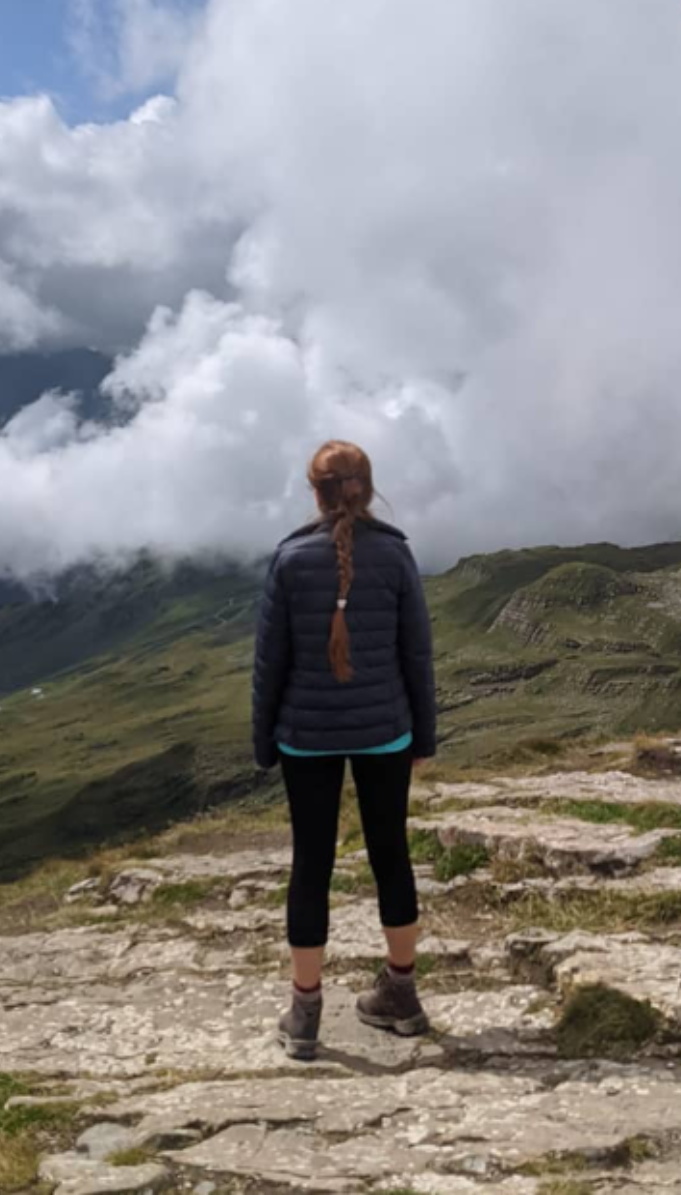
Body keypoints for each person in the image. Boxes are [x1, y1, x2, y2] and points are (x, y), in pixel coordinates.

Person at [251, 439, 439, 1061]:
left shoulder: (289, 559)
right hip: (387, 729)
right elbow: (416, 652)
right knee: (391, 853)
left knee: (312, 863)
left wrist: (264, 741)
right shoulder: (396, 554)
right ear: (367, 486)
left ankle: (305, 1013)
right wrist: (424, 736)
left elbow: (269, 661)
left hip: (307, 737)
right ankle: (402, 996)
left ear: (316, 492)